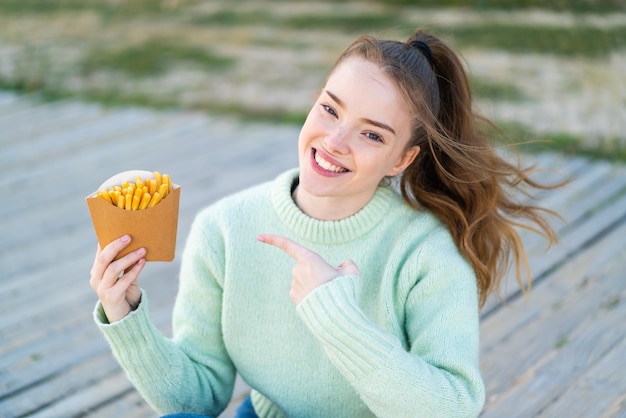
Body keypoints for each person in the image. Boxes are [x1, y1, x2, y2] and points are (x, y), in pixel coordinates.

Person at [89, 28, 560, 418]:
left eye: (372, 134)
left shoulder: (425, 254)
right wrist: (124, 314)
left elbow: (453, 407)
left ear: (403, 159)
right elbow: (195, 401)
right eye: (330, 109)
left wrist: (337, 317)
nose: (335, 140)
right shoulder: (224, 228)